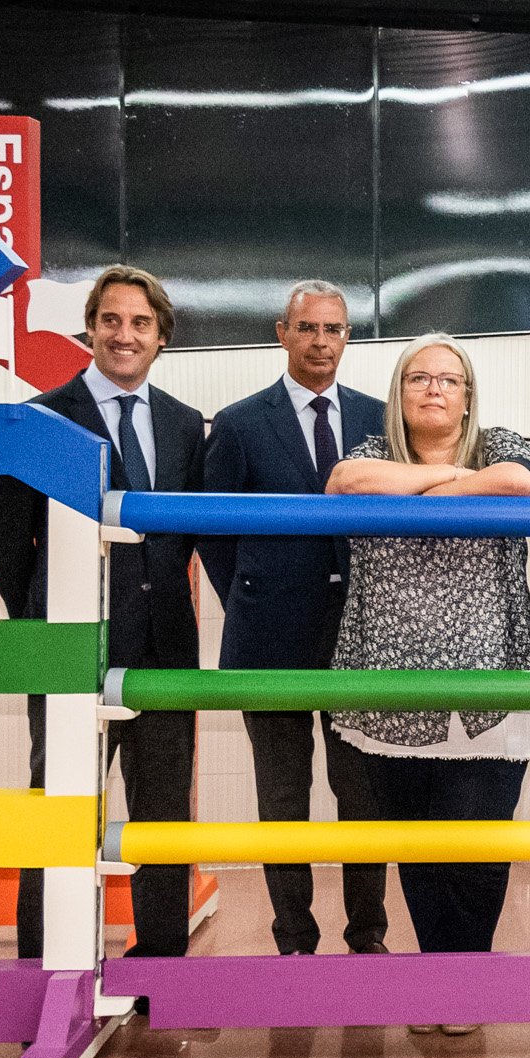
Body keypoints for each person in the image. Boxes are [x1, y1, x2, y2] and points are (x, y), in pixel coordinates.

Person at [0, 265, 206, 962]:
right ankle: (48, 964)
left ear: (162, 336)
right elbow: (4, 540)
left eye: (140, 322)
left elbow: (185, 538)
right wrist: (44, 621)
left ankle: (161, 967)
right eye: (111, 320)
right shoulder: (41, 419)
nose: (124, 335)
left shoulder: (184, 424)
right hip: (73, 651)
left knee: (163, 815)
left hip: (165, 651)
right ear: (89, 329)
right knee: (61, 808)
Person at [325, 334, 530, 1035]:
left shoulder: (499, 444)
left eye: (448, 379)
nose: (433, 388)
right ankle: (434, 978)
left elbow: (522, 484)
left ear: (468, 396)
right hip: (390, 691)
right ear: (399, 392)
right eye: (418, 377)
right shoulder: (369, 451)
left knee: (475, 845)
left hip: (490, 686)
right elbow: (344, 484)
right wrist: (450, 477)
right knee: (418, 844)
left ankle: (464, 980)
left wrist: (422, 483)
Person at [196, 281, 389, 958]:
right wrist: (253, 596)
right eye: (307, 328)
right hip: (269, 638)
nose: (321, 342)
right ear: (282, 333)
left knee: (362, 797)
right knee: (283, 798)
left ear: (348, 337)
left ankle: (367, 935)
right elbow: (212, 532)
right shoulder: (239, 423)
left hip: (360, 638)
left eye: (334, 329)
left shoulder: (379, 419)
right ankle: (294, 940)